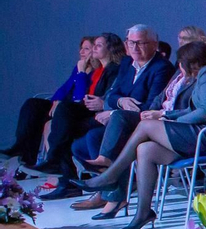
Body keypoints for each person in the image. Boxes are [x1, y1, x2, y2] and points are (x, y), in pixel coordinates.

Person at [79, 41, 206, 229]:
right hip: (201, 134)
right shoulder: (204, 76)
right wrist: (165, 116)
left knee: (144, 126)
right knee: (145, 149)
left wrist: (169, 118)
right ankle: (143, 212)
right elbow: (193, 110)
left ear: (189, 62)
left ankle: (111, 174)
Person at [44, 24, 175, 201]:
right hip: (119, 116)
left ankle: (107, 187)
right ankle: (68, 177)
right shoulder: (128, 63)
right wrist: (120, 101)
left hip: (141, 122)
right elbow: (112, 95)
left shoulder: (162, 67)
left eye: (140, 43)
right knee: (69, 132)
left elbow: (150, 106)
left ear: (154, 43)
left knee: (94, 135)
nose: (134, 48)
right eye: (130, 42)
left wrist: (114, 111)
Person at [5, 35, 117, 172]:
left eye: (87, 48)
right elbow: (63, 89)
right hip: (67, 107)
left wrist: (81, 73)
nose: (82, 52)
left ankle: (55, 164)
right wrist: (56, 101)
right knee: (33, 104)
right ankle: (22, 150)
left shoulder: (97, 71)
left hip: (79, 108)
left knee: (57, 120)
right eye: (81, 48)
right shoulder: (81, 68)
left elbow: (79, 97)